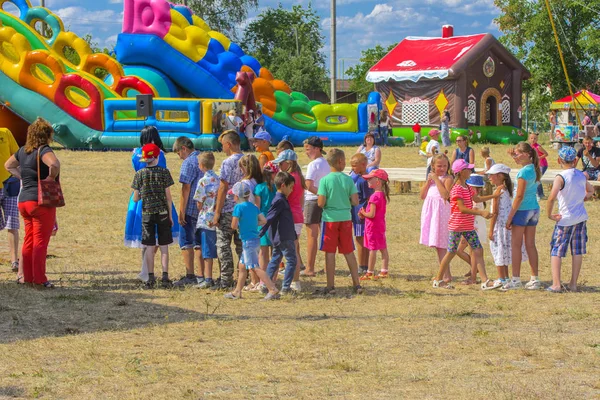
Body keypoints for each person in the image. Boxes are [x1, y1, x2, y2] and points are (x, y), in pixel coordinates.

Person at [4, 118, 59, 288]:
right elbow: (55, 164)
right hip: (40, 201)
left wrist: (23, 176)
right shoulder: (44, 150)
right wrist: (50, 177)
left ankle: (27, 276)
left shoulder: (22, 151)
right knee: (40, 242)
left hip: (24, 200)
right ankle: (40, 278)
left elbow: (8, 165)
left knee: (29, 239)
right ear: (47, 134)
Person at [432, 159, 498, 290]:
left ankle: (485, 281)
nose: (471, 171)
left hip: (467, 226)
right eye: (468, 169)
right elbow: (461, 208)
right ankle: (438, 280)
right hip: (457, 226)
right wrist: (480, 213)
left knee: (478, 250)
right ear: (461, 172)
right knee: (451, 252)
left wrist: (494, 196)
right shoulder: (456, 189)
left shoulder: (467, 187)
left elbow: (477, 199)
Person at [124, 126, 179, 283]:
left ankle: (146, 271)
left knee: (145, 237)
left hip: (141, 197)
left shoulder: (135, 153)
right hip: (158, 197)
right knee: (159, 239)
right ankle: (151, 271)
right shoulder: (159, 154)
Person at [546, 146, 594, 293]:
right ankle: (573, 284)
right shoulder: (580, 175)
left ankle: (556, 284)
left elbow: (552, 197)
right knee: (577, 251)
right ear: (575, 160)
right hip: (580, 218)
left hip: (565, 219)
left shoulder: (560, 177)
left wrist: (549, 214)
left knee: (557, 250)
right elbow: (591, 190)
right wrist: (582, 198)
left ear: (559, 160)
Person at [316, 148, 363, 295]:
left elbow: (320, 203)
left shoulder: (324, 180)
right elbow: (355, 201)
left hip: (330, 219)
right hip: (346, 219)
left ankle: (330, 285)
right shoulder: (348, 179)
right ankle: (357, 283)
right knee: (348, 251)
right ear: (341, 162)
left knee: (329, 253)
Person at [224, 182, 280, 300]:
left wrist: (241, 224)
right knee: (242, 266)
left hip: (247, 242)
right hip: (255, 240)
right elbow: (263, 220)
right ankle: (237, 292)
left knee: (254, 267)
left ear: (237, 196)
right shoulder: (254, 206)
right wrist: (253, 224)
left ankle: (272, 289)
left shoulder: (238, 207)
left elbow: (233, 225)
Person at [131, 143, 175, 289]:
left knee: (149, 246)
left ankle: (150, 277)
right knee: (164, 246)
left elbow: (135, 198)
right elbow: (169, 197)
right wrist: (170, 216)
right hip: (162, 212)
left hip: (147, 214)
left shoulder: (139, 174)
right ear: (157, 156)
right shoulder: (164, 172)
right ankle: (165, 276)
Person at [502, 142, 542, 290]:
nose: (515, 157)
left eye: (518, 154)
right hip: (534, 209)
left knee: (516, 245)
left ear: (526, 154)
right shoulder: (534, 169)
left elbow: (518, 196)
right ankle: (534, 278)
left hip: (522, 210)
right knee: (530, 244)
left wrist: (510, 217)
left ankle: (516, 279)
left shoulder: (523, 173)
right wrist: (515, 156)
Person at [212, 130, 244, 290]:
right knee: (242, 246)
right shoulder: (247, 159)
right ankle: (243, 277)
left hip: (228, 209)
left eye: (223, 145)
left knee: (223, 245)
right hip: (244, 209)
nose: (222, 148)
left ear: (229, 144)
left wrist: (217, 211)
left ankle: (226, 279)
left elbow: (223, 187)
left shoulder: (227, 162)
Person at [487, 164, 527, 287]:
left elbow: (495, 212)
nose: (489, 178)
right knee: (503, 251)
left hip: (499, 227)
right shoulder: (507, 189)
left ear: (499, 176)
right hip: (506, 226)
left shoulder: (498, 191)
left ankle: (501, 278)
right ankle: (505, 277)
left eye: (491, 175)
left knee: (498, 251)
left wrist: (491, 229)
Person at [260, 171, 298, 295]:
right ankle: (286, 287)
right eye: (290, 187)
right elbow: (269, 218)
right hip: (284, 236)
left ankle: (266, 285)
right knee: (291, 260)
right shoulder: (279, 201)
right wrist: (260, 233)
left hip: (281, 236)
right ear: (283, 185)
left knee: (275, 259)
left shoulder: (281, 199)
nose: (292, 190)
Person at [172, 137, 204, 288]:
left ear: (184, 148)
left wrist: (181, 211)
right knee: (200, 243)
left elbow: (185, 188)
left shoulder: (188, 163)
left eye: (179, 153)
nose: (180, 157)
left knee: (186, 242)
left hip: (190, 207)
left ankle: (190, 274)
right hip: (203, 209)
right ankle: (202, 275)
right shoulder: (202, 158)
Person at [272, 149, 305, 291]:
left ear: (288, 163)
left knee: (293, 251)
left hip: (291, 217)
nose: (279, 167)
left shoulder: (289, 178)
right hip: (297, 214)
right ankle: (294, 281)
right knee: (294, 249)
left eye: (281, 164)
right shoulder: (298, 176)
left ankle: (295, 282)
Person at [420, 153, 452, 281]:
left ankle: (446, 274)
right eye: (439, 166)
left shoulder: (448, 178)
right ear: (432, 166)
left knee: (442, 244)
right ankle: (444, 273)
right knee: (438, 245)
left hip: (441, 212)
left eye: (444, 166)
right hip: (432, 213)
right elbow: (422, 195)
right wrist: (428, 183)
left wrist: (437, 179)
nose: (442, 168)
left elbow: (446, 195)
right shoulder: (431, 179)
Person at [302, 136, 329, 277]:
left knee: (312, 236)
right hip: (324, 201)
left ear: (317, 149)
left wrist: (319, 194)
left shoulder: (313, 165)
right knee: (323, 234)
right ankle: (327, 266)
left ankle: (310, 268)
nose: (306, 152)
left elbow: (308, 185)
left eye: (308, 149)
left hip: (313, 200)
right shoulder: (325, 163)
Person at [193, 152, 220, 289]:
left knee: (206, 250)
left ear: (201, 166)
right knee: (213, 248)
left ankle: (207, 278)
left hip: (205, 218)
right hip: (216, 217)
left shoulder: (203, 181)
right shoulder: (219, 179)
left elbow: (198, 201)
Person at [358, 169, 390, 280]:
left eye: (369, 179)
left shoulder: (374, 197)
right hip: (380, 226)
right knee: (383, 248)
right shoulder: (382, 195)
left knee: (372, 249)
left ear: (377, 182)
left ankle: (369, 272)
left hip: (373, 227)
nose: (367, 181)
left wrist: (363, 213)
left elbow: (371, 214)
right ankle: (384, 271)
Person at [253, 161, 278, 289]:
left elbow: (257, 206)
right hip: (275, 220)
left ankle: (263, 280)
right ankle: (273, 278)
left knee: (263, 252)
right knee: (275, 251)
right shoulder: (277, 188)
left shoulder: (259, 188)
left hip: (262, 221)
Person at [0, 127, 20, 274]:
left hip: (9, 184)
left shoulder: (5, 132)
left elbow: (17, 155)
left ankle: (14, 261)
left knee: (12, 224)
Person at [350, 153, 373, 275]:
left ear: (363, 165)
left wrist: (365, 212)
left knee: (361, 239)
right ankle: (364, 265)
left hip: (360, 215)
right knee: (361, 239)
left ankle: (362, 265)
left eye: (354, 166)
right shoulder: (357, 178)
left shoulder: (364, 180)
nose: (352, 168)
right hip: (356, 214)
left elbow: (369, 198)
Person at [529, 133, 548, 198]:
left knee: (537, 179)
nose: (533, 140)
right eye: (531, 138)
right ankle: (537, 193)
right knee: (535, 179)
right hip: (536, 165)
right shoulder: (529, 147)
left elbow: (546, 154)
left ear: (537, 139)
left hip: (542, 165)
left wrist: (538, 158)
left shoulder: (538, 147)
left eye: (535, 138)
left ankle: (541, 194)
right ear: (529, 139)